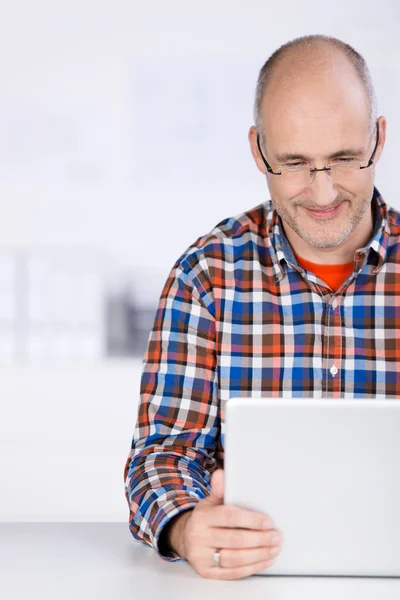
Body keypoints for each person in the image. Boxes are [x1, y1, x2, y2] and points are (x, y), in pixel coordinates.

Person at [124, 33, 395, 580]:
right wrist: (184, 526)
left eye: (344, 159)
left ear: (379, 139)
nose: (322, 194)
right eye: (293, 163)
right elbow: (162, 456)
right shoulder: (206, 275)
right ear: (257, 151)